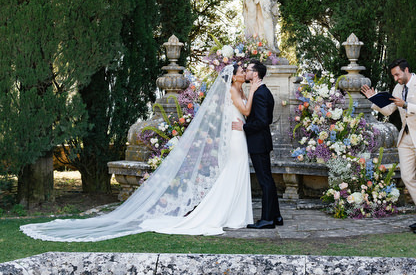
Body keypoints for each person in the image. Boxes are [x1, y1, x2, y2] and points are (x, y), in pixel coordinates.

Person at [20, 63, 261, 240]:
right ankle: (228, 214)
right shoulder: (232, 91)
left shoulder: (239, 90)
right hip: (236, 137)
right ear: (235, 76)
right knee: (233, 171)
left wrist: (249, 93)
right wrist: (255, 89)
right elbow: (246, 111)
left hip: (239, 136)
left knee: (236, 172)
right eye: (243, 71)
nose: (245, 74)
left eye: (246, 72)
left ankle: (236, 215)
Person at [361, 58, 416, 234]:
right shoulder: (398, 88)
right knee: (407, 177)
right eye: (393, 75)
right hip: (406, 138)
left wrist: (406, 105)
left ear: (406, 70)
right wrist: (373, 99)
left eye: (397, 74)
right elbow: (390, 110)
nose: (396, 78)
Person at [232, 60, 283, 229]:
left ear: (255, 74)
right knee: (267, 178)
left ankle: (267, 219)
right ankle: (276, 216)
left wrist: (244, 126)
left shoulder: (261, 93)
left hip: (258, 142)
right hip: (261, 141)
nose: (245, 72)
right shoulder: (262, 91)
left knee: (264, 181)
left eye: (247, 70)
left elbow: (262, 121)